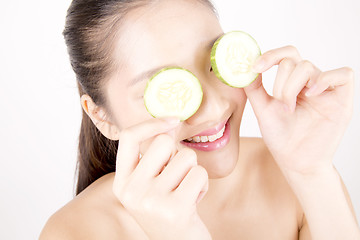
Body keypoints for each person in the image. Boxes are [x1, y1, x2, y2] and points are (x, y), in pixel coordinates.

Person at [39, 0, 360, 239]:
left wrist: (313, 174)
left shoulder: (293, 176)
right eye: (164, 88)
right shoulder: (73, 232)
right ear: (101, 115)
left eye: (213, 61)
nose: (211, 109)